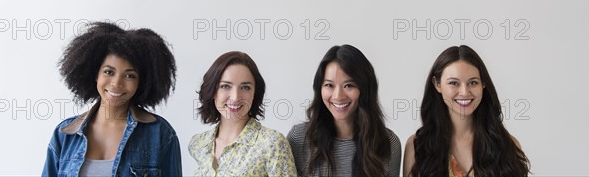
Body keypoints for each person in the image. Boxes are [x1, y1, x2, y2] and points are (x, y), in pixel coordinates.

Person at [42, 21, 182, 177]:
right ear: (96, 74)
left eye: (130, 75)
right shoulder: (65, 134)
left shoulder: (160, 133)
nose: (116, 83)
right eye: (109, 72)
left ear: (141, 82)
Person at [403, 45, 531, 177]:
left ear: (483, 84)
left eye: (473, 82)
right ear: (437, 84)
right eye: (454, 83)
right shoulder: (418, 146)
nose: (464, 92)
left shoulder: (508, 145)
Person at [288, 44, 401, 177]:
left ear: (364, 89)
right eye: (329, 85)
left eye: (349, 85)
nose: (338, 96)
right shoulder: (299, 138)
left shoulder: (387, 142)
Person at [188, 51, 297, 176]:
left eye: (245, 87)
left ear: (255, 93)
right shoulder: (198, 144)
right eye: (225, 86)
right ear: (213, 90)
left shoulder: (272, 144)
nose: (235, 97)